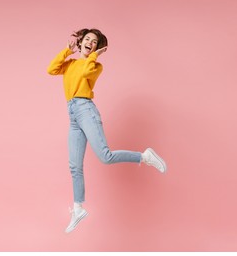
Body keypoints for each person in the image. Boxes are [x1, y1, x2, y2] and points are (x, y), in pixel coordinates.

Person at [47, 28, 167, 233]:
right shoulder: (71, 63)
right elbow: (51, 69)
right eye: (87, 40)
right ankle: (78, 208)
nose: (90, 43)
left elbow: (85, 72)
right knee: (74, 166)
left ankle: (144, 156)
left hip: (86, 110)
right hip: (73, 114)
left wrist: (94, 55)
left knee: (105, 156)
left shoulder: (95, 65)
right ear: (80, 42)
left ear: (97, 48)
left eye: (94, 42)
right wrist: (66, 51)